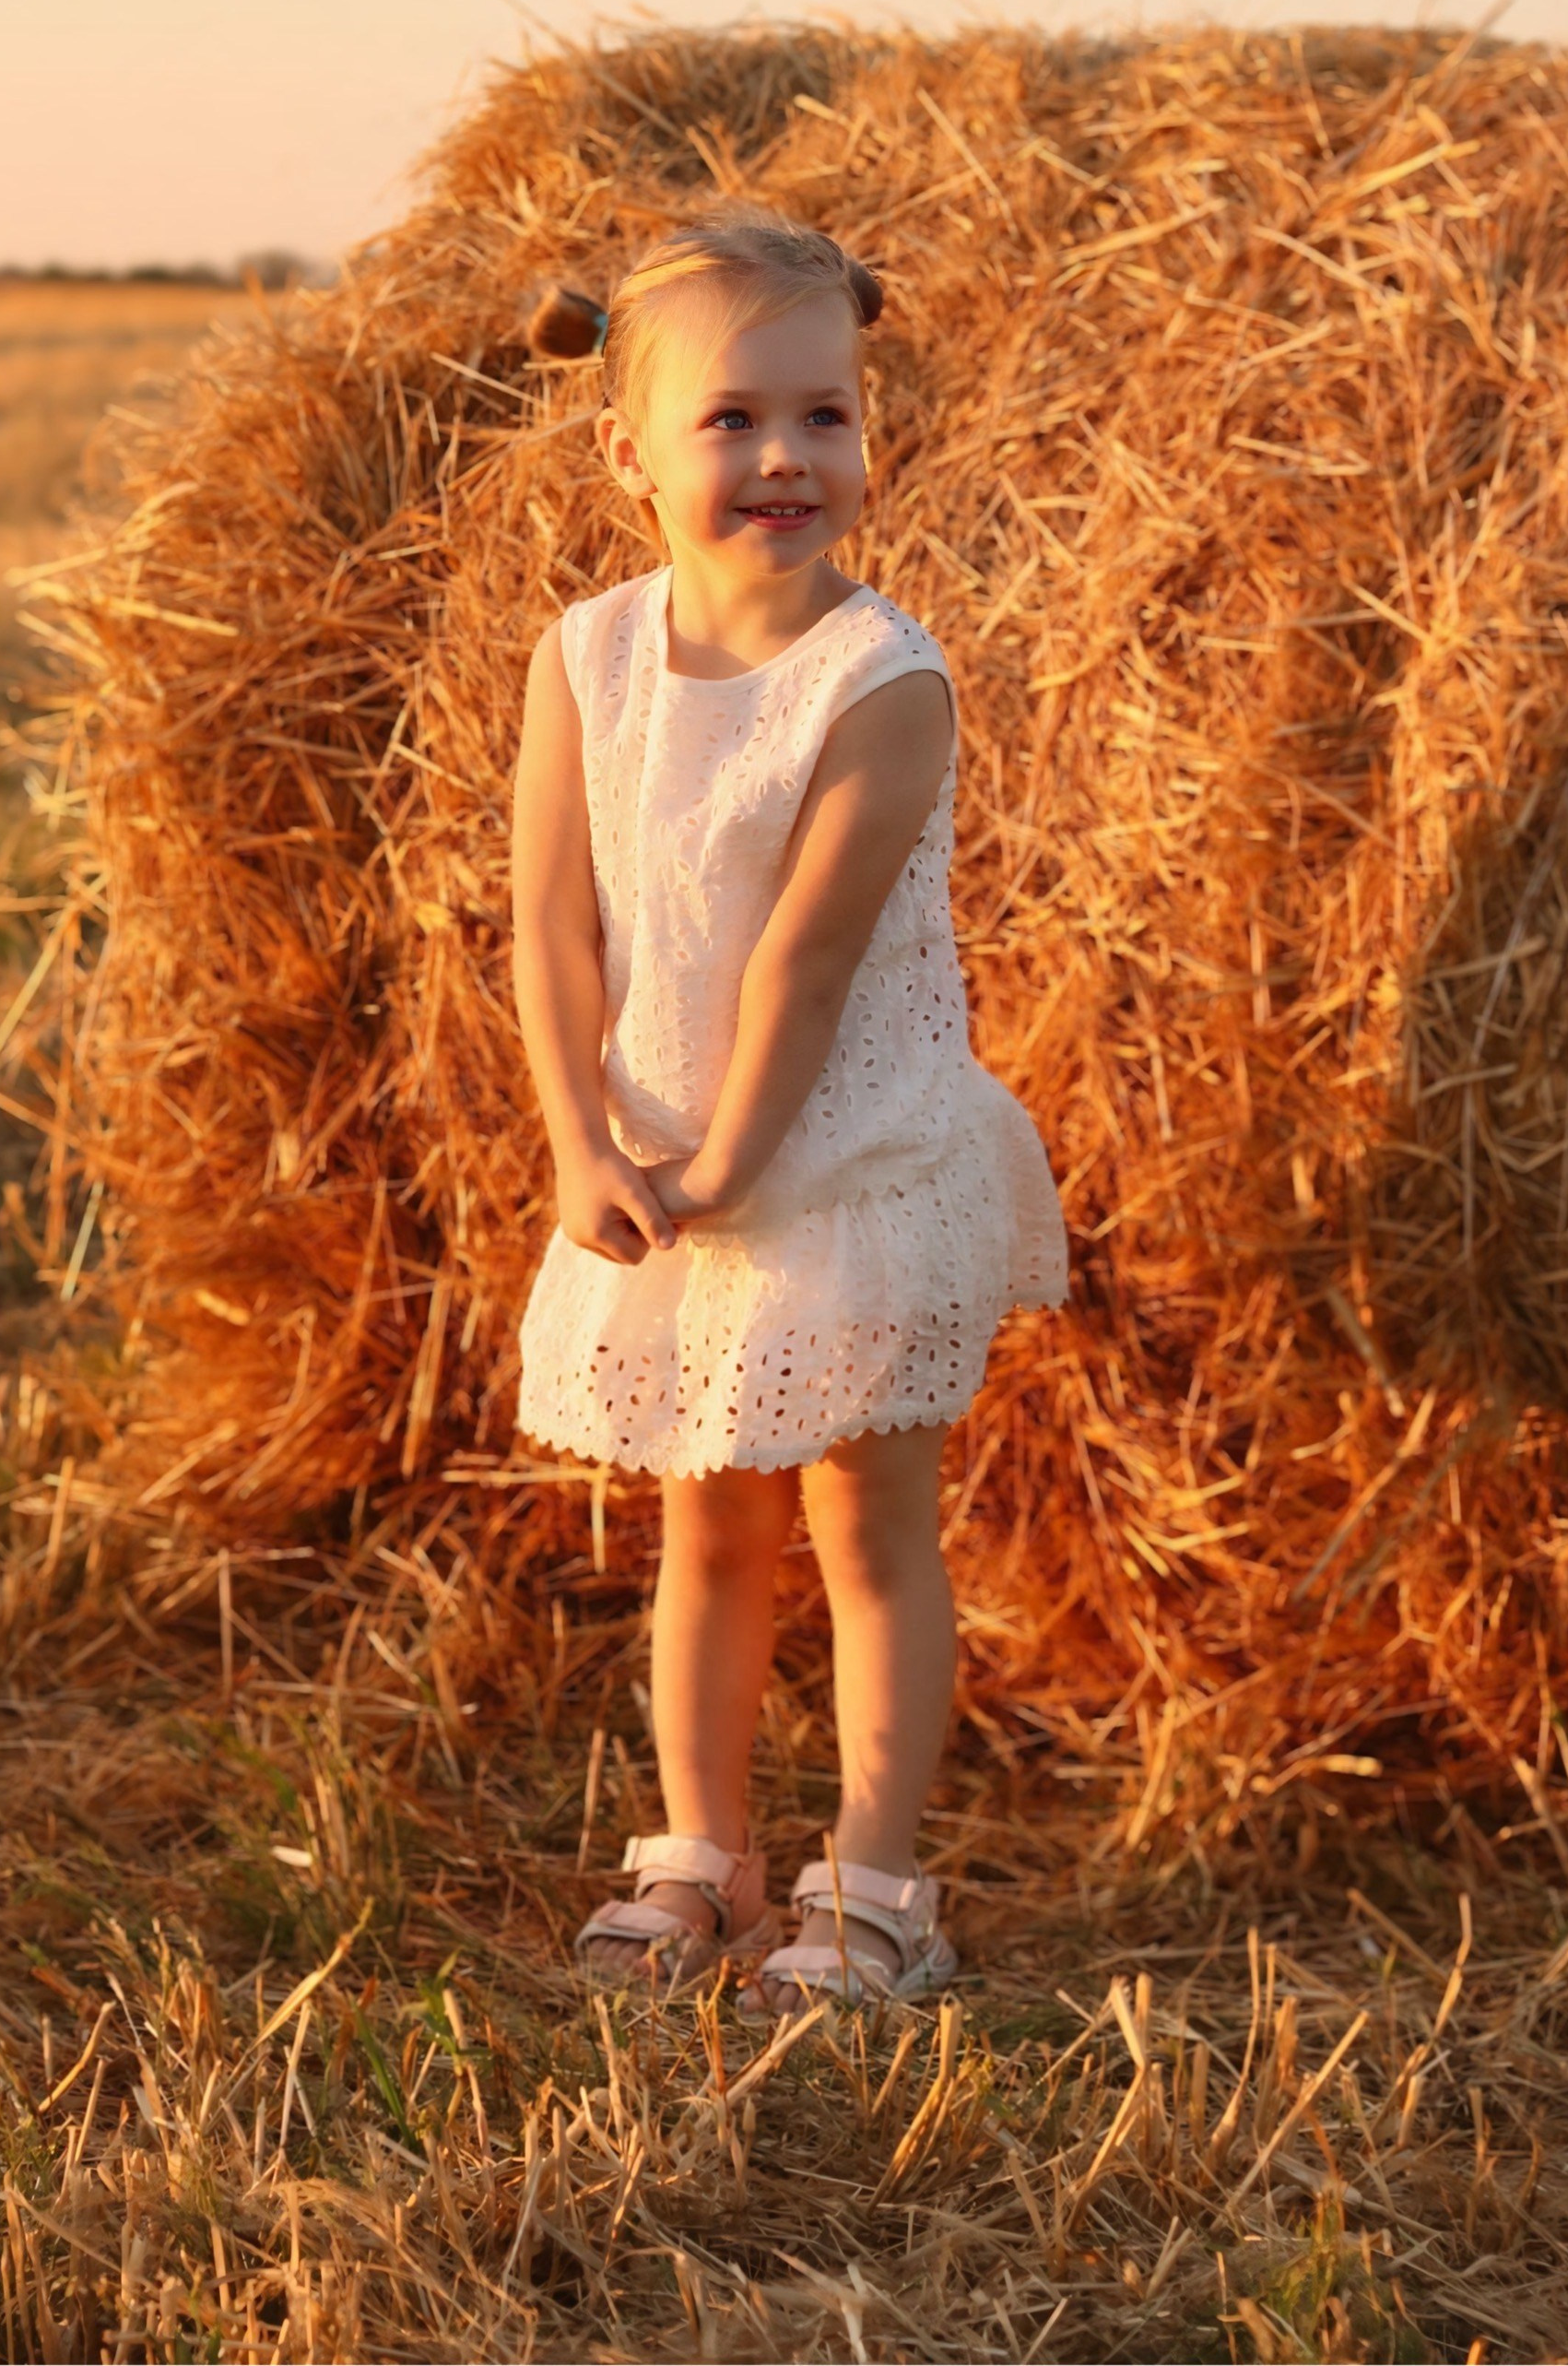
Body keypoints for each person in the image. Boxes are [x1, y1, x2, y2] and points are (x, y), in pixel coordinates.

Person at [508, 207, 1067, 2015]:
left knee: (862, 1527)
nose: (783, 457)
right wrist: (582, 1142)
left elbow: (804, 969)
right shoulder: (584, 657)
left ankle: (882, 1883)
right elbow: (551, 920)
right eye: (734, 417)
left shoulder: (882, 680)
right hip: (667, 1157)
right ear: (629, 453)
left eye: (824, 414)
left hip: (839, 1159)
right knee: (706, 1524)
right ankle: (701, 1854)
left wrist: (725, 1168)